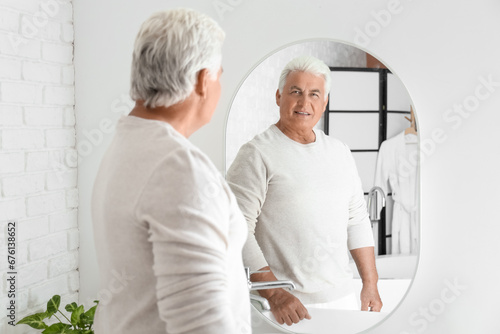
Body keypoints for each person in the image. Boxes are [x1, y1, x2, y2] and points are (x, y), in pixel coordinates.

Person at [91, 9, 250, 334]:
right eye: (220, 74)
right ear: (204, 81)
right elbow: (201, 323)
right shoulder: (179, 168)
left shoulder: (127, 142)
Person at [226, 55, 383, 326]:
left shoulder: (340, 152)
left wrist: (370, 283)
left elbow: (357, 219)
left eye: (314, 94)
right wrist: (275, 294)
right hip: (284, 307)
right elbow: (235, 228)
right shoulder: (256, 154)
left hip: (343, 299)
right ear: (278, 96)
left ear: (325, 102)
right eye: (295, 92)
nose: (304, 103)